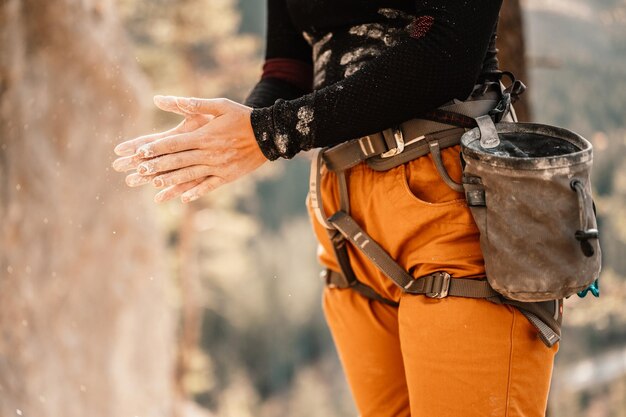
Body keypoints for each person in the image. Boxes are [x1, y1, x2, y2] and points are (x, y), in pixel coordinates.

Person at [113, 1, 558, 416]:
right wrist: (227, 136)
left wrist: (269, 134)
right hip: (344, 222)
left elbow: (447, 53)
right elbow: (288, 71)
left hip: (450, 204)